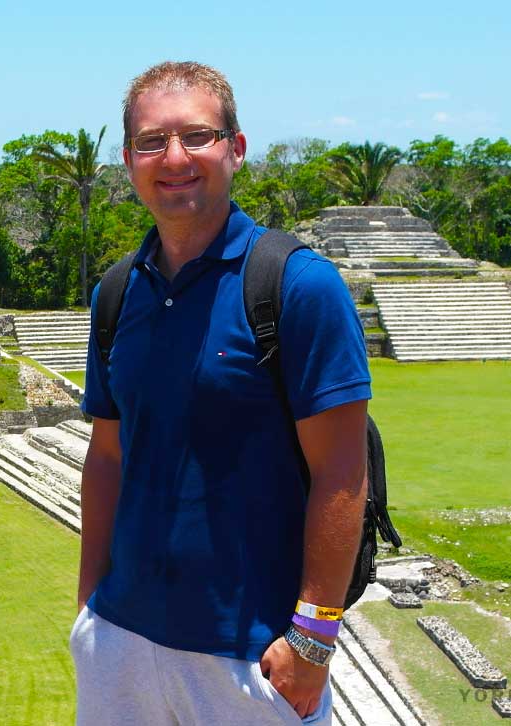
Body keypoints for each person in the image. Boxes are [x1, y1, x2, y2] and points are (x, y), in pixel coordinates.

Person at [71, 62, 371, 726]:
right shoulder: (118, 294)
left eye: (197, 136)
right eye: (152, 141)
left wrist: (314, 638)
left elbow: (343, 470)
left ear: (236, 149)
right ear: (128, 161)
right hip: (121, 644)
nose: (174, 157)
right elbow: (107, 456)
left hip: (249, 661)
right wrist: (91, 604)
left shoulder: (297, 286)